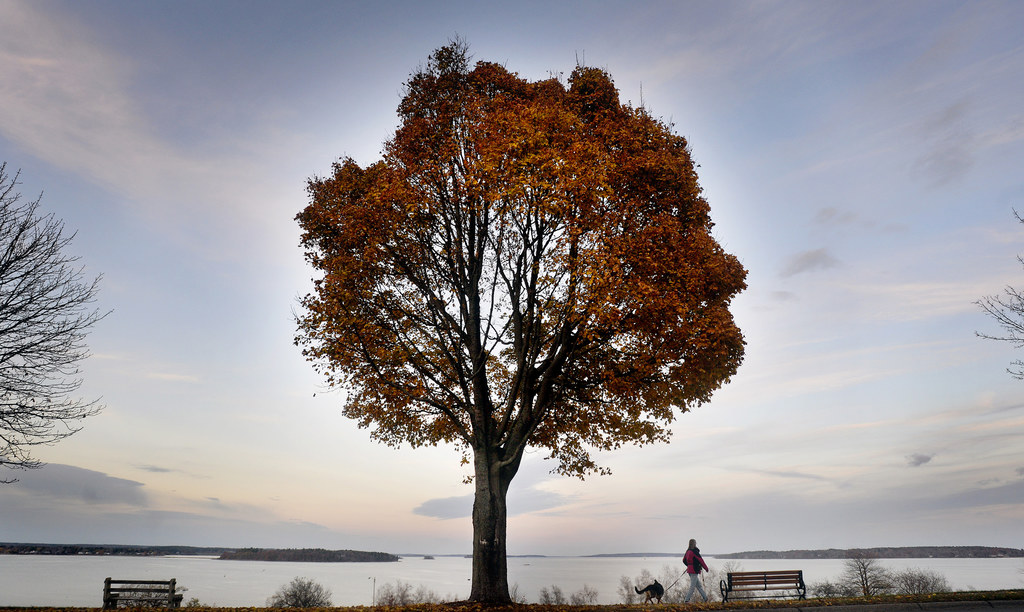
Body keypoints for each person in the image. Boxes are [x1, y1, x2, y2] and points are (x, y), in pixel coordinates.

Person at [683, 538, 709, 603]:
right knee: (692, 586)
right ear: (694, 544)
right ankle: (686, 600)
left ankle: (705, 598)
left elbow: (684, 560)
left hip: (690, 570)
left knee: (699, 586)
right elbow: (701, 560)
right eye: (695, 543)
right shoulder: (695, 552)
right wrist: (706, 568)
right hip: (694, 571)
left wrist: (689, 565)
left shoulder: (687, 551)